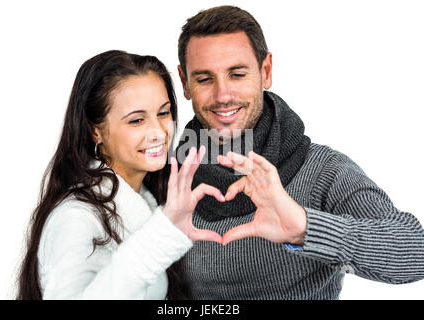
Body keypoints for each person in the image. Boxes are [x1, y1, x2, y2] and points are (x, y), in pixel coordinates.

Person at [172, 5, 424, 299]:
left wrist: (304, 228)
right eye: (204, 79)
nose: (223, 95)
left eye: (237, 74)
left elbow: (415, 252)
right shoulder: (165, 179)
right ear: (185, 82)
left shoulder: (323, 171)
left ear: (266, 72)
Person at [17, 50, 224, 299]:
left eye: (163, 113)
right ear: (96, 132)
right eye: (137, 120)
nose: (158, 132)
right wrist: (163, 237)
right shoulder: (76, 218)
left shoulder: (154, 199)